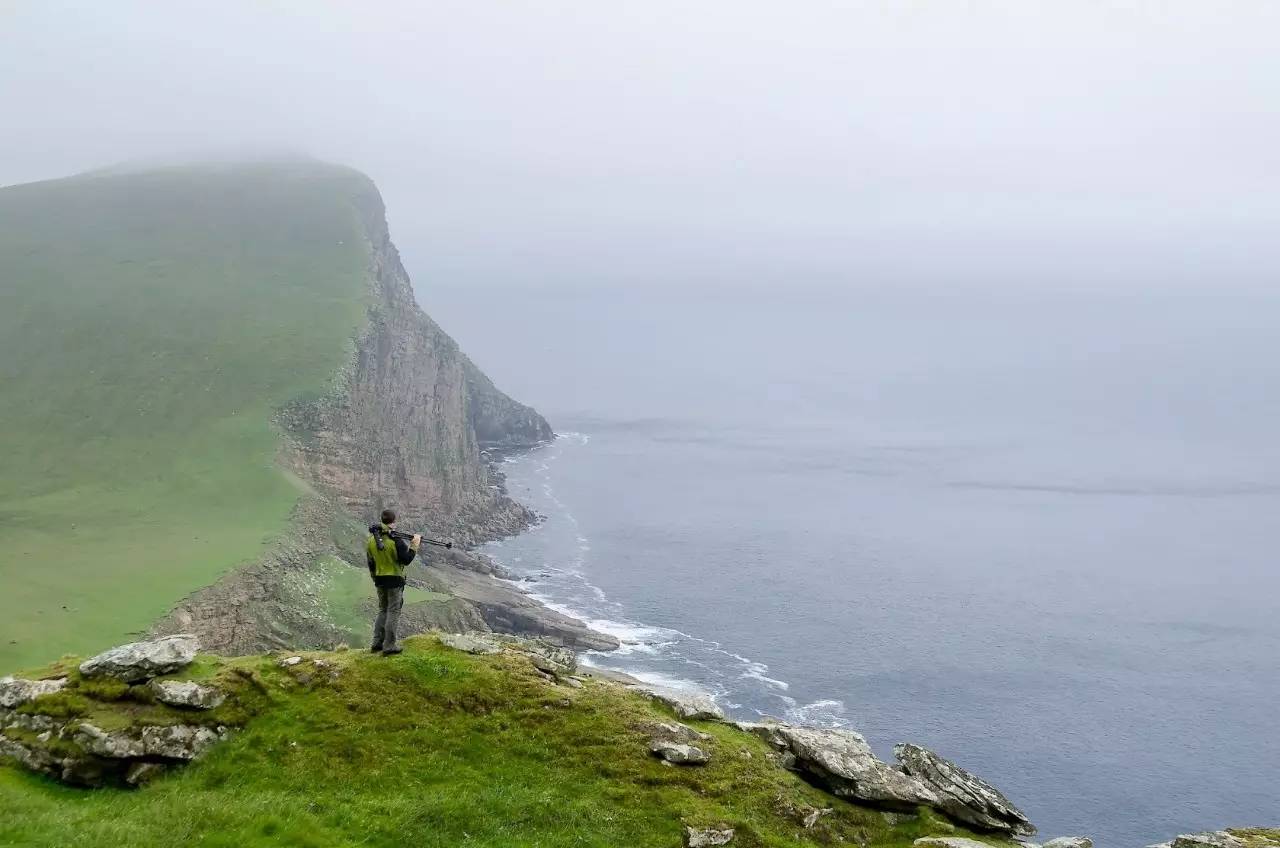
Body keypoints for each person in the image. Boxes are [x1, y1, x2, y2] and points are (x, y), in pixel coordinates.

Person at [366, 508, 420, 656]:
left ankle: (376, 643)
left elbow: (371, 563)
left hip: (379, 579)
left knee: (382, 610)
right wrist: (415, 545)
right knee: (393, 611)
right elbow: (407, 559)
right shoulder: (395, 541)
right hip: (395, 580)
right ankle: (389, 646)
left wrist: (374, 578)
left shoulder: (371, 540)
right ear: (394, 522)